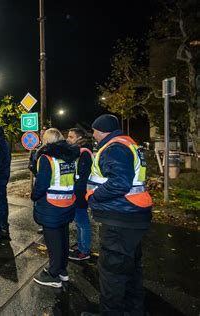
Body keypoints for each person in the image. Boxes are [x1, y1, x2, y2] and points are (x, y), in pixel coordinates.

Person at [86, 114, 152, 315]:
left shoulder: (114, 147)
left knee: (112, 271)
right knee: (130, 269)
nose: (94, 135)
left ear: (102, 130)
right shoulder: (128, 144)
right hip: (132, 215)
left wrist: (94, 197)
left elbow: (120, 183)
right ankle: (133, 310)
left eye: (94, 131)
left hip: (120, 216)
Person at [30, 128, 79, 288]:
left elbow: (42, 184)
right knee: (63, 239)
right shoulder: (70, 157)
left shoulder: (47, 158)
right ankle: (62, 271)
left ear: (47, 141)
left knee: (53, 242)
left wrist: (34, 195)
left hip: (51, 205)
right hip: (67, 203)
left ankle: (53, 274)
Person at [66, 127, 93, 261]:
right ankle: (81, 244)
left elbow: (82, 176)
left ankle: (84, 251)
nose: (67, 139)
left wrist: (77, 193)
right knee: (79, 221)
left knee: (82, 222)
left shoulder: (84, 153)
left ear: (79, 138)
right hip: (79, 191)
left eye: (71, 137)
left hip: (80, 192)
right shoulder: (79, 151)